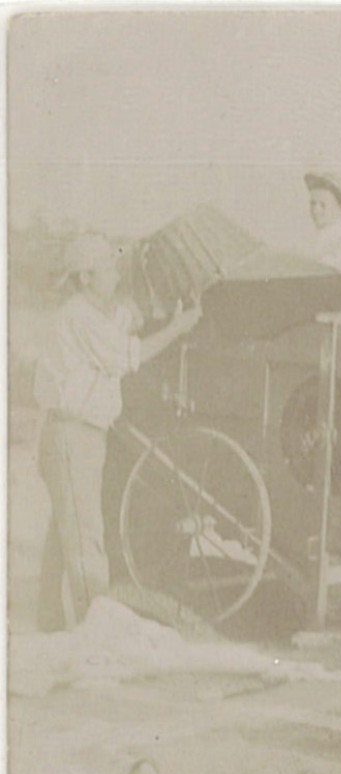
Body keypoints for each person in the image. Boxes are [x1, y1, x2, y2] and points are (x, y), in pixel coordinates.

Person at [34, 232, 202, 631]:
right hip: (72, 435)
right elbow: (129, 355)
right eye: (108, 268)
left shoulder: (93, 313)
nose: (115, 274)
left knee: (65, 528)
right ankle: (96, 631)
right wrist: (180, 327)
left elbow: (127, 320)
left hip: (76, 435)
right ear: (86, 276)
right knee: (86, 536)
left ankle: (50, 617)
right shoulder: (79, 315)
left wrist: (153, 309)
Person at [304, 171, 341, 273]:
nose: (315, 210)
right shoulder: (317, 237)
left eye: (323, 205)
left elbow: (335, 271)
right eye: (312, 204)